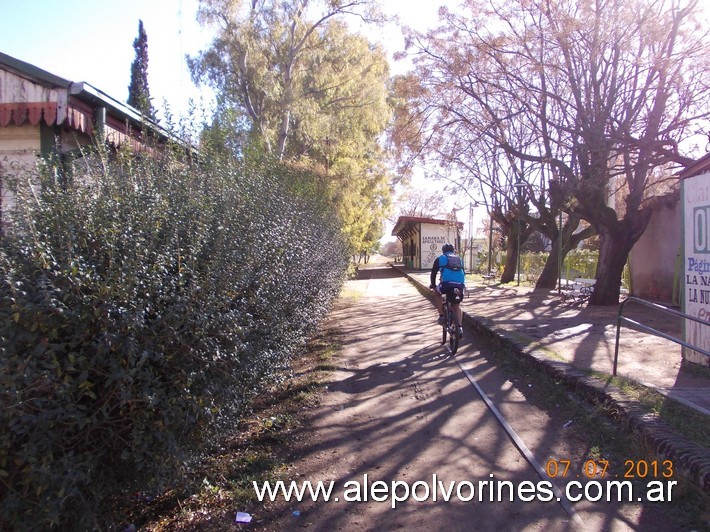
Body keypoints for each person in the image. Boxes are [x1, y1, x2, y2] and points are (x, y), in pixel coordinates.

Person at [429, 243, 466, 338]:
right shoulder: (460, 259)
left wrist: (433, 285)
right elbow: (463, 273)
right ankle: (460, 328)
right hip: (459, 285)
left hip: (446, 284)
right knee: (457, 305)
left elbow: (433, 273)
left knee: (437, 294)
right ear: (453, 251)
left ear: (443, 251)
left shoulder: (440, 258)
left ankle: (441, 316)